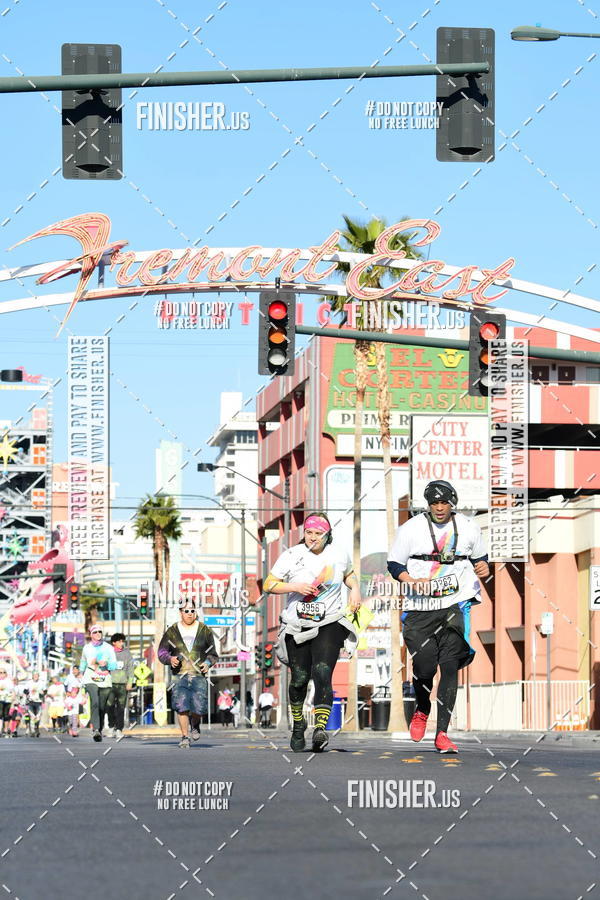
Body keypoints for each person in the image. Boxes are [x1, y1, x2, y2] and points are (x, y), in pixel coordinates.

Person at [387, 479, 490, 754]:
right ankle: (422, 707)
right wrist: (410, 579)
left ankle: (442, 732)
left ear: (452, 503)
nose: (440, 508)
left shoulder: (469, 528)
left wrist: (484, 569)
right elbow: (394, 563)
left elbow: (482, 560)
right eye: (435, 503)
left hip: (456, 604)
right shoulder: (411, 529)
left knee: (450, 666)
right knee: (423, 668)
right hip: (420, 607)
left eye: (445, 503)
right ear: (428, 505)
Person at [264, 512, 362, 753]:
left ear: (327, 535)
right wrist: (294, 586)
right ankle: (299, 724)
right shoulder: (292, 555)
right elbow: (268, 584)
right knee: (299, 679)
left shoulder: (338, 554)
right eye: (309, 533)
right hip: (297, 624)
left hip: (329, 621)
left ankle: (320, 728)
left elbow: (349, 575)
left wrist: (356, 589)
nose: (313, 538)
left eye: (318, 534)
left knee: (322, 671)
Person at [157, 603, 218, 749]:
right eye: (186, 611)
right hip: (179, 674)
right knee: (181, 706)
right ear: (181, 612)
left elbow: (213, 653)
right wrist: (169, 659)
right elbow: (161, 652)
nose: (190, 613)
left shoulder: (205, 630)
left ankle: (195, 724)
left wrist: (208, 663)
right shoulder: (172, 630)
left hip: (198, 674)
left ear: (196, 612)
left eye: (192, 611)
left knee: (199, 707)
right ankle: (184, 737)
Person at [79, 624, 117, 742]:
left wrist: (106, 664)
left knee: (102, 706)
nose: (98, 634)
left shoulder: (109, 648)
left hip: (104, 679)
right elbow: (83, 661)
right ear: (91, 634)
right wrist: (80, 673)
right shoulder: (87, 648)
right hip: (90, 677)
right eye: (95, 632)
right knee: (94, 701)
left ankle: (98, 730)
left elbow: (114, 665)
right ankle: (95, 729)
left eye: (100, 632)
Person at [107, 633, 134, 739]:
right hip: (110, 684)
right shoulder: (109, 652)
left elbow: (130, 668)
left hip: (123, 684)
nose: (121, 643)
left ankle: (119, 729)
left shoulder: (127, 653)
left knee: (121, 708)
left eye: (122, 641)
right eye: (119, 641)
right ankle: (110, 727)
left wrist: (130, 682)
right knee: (109, 706)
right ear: (114, 643)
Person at [0, 667, 15, 737]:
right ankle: (0, 729)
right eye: (0, 672)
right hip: (0, 699)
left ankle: (5, 730)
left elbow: (12, 691)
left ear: (6, 674)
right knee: (0, 714)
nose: (2, 674)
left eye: (4, 672)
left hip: (7, 700)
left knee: (6, 715)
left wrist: (13, 699)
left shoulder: (9, 681)